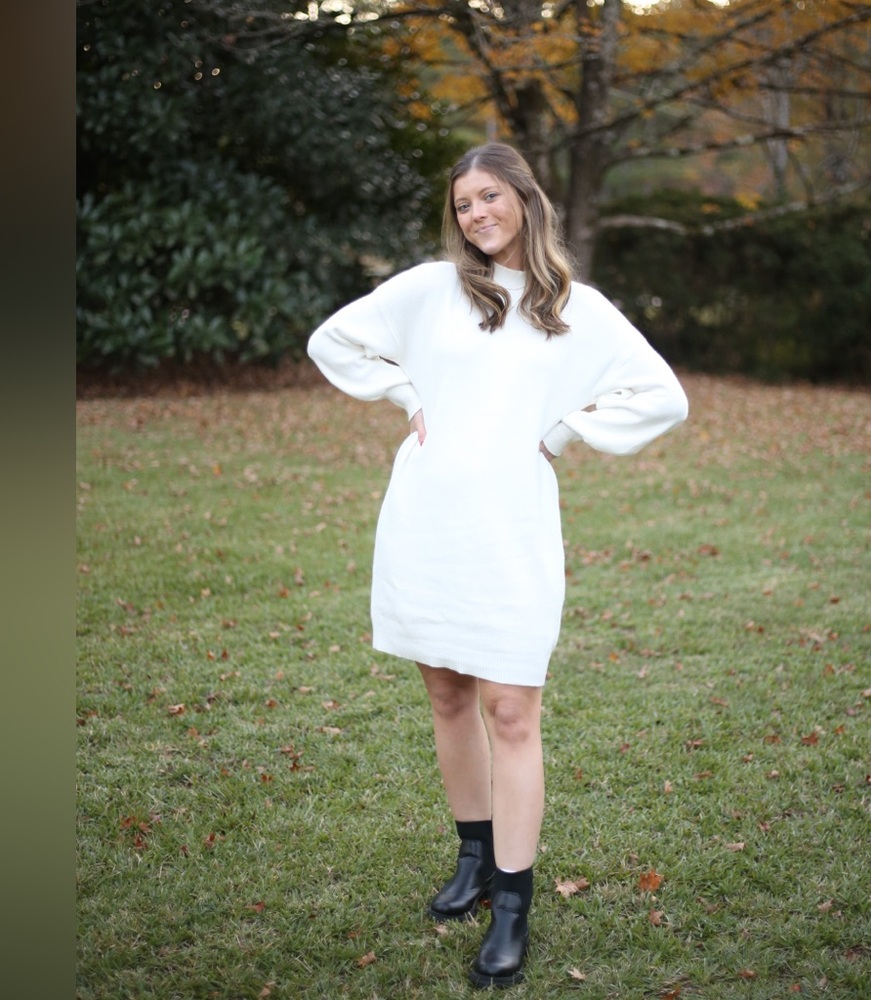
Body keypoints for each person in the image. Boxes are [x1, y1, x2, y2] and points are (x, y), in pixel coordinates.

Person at [307, 142, 688, 989]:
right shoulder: (427, 291)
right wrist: (407, 396)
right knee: (446, 694)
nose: (477, 215)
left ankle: (513, 903)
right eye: (463, 205)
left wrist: (560, 433)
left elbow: (662, 393)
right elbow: (333, 340)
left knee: (511, 709)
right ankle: (473, 859)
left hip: (510, 529)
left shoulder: (577, 308)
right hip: (427, 517)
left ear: (524, 197)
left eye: (489, 197)